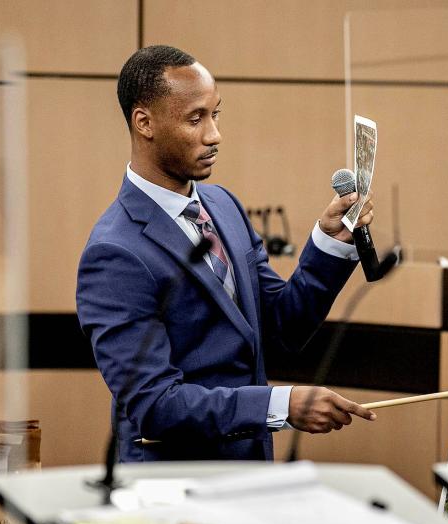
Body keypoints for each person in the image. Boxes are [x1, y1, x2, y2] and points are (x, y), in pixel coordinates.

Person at [76, 45, 376, 463]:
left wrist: (329, 244)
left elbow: (282, 328)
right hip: (172, 491)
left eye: (216, 114)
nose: (214, 134)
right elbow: (155, 405)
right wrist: (280, 405)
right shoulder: (114, 253)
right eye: (195, 118)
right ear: (144, 122)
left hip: (247, 472)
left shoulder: (223, 206)